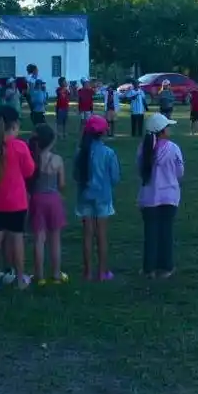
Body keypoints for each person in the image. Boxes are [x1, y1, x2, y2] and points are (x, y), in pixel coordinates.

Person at [0, 105, 34, 293]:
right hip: (16, 203)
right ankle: (20, 279)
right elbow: (29, 171)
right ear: (14, 126)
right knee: (17, 239)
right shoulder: (20, 147)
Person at [138, 112, 184, 279]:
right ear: (162, 131)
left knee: (150, 234)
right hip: (169, 197)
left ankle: (149, 268)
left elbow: (140, 170)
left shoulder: (143, 148)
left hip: (149, 197)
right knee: (166, 233)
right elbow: (180, 172)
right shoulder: (173, 148)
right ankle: (166, 267)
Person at [73, 114, 120, 281]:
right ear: (103, 133)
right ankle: (102, 272)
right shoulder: (109, 153)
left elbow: (76, 176)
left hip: (84, 197)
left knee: (87, 235)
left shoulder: (80, 152)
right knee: (101, 236)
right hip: (103, 198)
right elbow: (115, 178)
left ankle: (87, 272)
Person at [25, 122, 67, 284]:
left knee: (39, 239)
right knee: (55, 239)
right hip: (54, 199)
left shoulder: (32, 159)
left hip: (37, 199)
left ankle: (39, 276)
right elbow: (62, 184)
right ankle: (56, 274)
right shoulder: (58, 160)